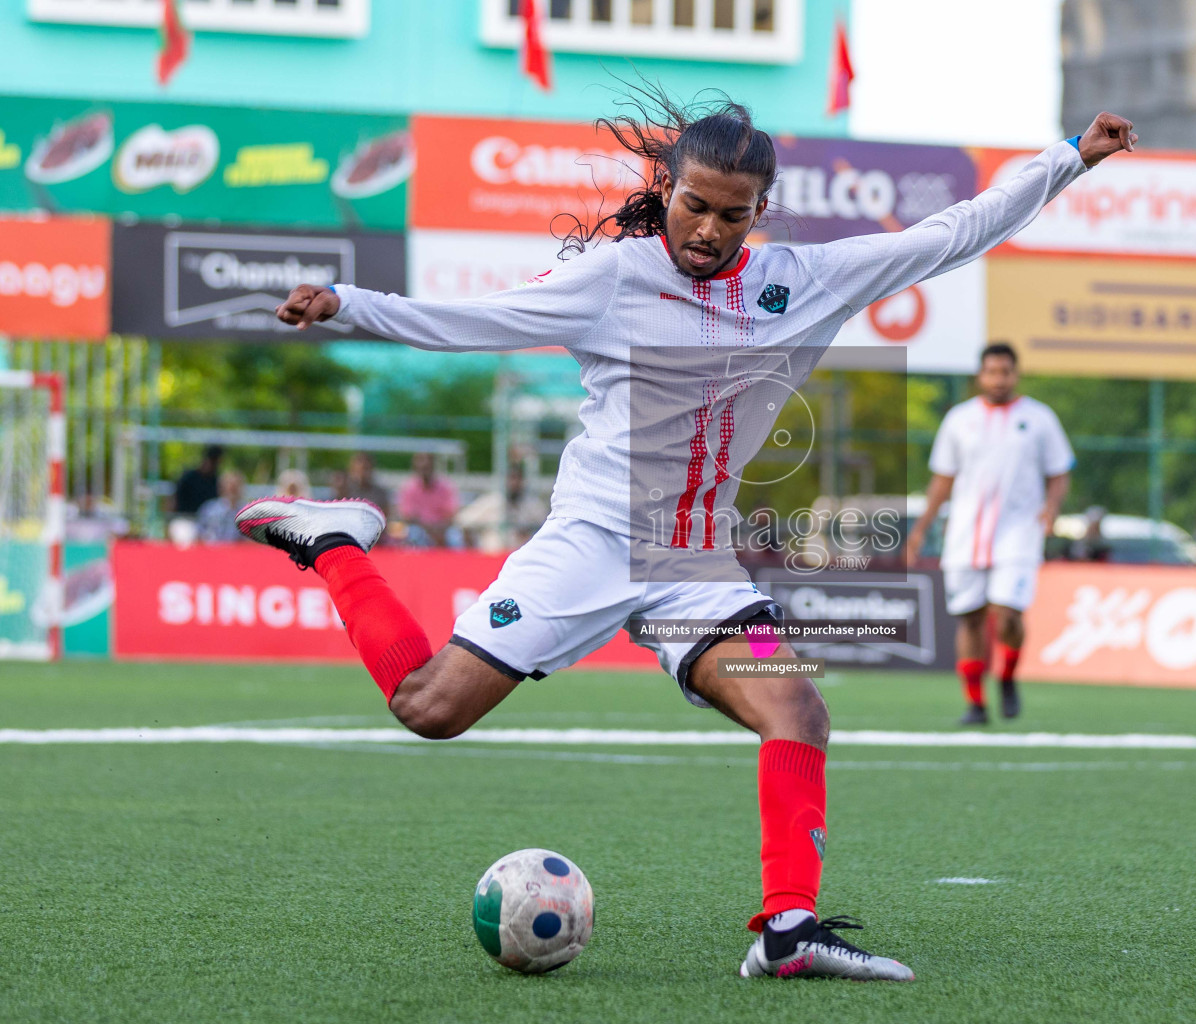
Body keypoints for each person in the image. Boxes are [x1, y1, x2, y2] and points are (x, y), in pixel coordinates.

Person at [237, 90, 1137, 978]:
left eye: (732, 214)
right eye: (694, 205)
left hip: (694, 560)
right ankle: (336, 541)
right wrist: (347, 306)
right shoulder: (612, 278)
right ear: (666, 187)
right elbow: (476, 321)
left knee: (797, 709)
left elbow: (957, 231)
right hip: (592, 539)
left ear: (762, 212)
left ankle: (788, 929)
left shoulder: (804, 282)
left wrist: (1071, 156)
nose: (708, 229)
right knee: (429, 709)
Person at [906, 343, 1072, 725]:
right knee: (971, 619)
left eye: (1006, 372)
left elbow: (1059, 472)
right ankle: (976, 704)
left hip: (1019, 532)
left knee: (1008, 614)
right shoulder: (959, 420)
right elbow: (942, 479)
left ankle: (1009, 677)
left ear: (1016, 374)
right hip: (966, 534)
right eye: (992, 372)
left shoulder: (1039, 418)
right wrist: (921, 529)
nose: (999, 379)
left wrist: (1051, 507)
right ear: (980, 376)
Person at [396, 452, 459, 548]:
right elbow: (408, 517)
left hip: (441, 529)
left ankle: (457, 562)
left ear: (433, 467)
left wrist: (438, 531)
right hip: (420, 528)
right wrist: (429, 530)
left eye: (427, 468)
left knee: (455, 537)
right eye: (421, 468)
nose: (424, 471)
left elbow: (450, 516)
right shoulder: (409, 488)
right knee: (413, 534)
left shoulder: (445, 487)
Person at [196, 470, 247, 543]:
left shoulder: (247, 512)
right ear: (221, 488)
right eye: (229, 487)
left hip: (239, 552)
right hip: (213, 551)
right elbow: (199, 534)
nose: (232, 490)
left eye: (235, 488)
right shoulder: (209, 509)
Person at [172, 445, 223, 516]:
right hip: (186, 517)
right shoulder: (188, 478)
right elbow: (174, 501)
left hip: (207, 519)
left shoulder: (216, 481)